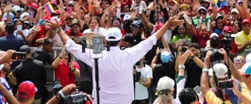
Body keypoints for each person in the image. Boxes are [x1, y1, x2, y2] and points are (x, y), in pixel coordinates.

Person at [54, 15, 183, 104]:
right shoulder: (128, 55)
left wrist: (59, 29)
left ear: (105, 40)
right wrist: (167, 25)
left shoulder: (96, 56)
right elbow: (150, 41)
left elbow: (71, 45)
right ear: (120, 41)